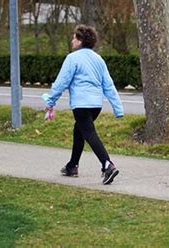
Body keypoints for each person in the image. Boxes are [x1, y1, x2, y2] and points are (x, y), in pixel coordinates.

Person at [44, 25, 124, 185]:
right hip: (95, 105)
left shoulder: (72, 58)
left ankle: (107, 165)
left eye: (74, 37)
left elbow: (61, 82)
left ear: (80, 40)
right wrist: (118, 108)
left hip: (81, 104)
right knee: (79, 130)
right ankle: (72, 166)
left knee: (89, 133)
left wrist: (50, 101)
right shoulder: (98, 59)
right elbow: (108, 85)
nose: (72, 40)